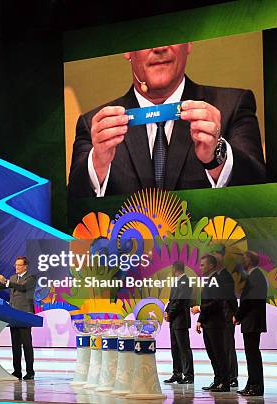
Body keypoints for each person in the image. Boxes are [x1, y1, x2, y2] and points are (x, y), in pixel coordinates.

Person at [68, 43, 266, 221]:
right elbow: (70, 214)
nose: (160, 48)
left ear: (188, 44)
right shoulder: (95, 125)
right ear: (128, 50)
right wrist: (98, 165)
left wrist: (216, 157)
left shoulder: (233, 105)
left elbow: (263, 200)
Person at [0, 256, 37, 380]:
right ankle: (17, 371)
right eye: (16, 265)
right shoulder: (13, 278)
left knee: (27, 344)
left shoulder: (31, 277)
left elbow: (22, 287)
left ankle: (30, 372)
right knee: (15, 345)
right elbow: (3, 287)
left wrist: (6, 282)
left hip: (25, 314)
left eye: (19, 265)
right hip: (13, 315)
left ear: (25, 266)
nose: (16, 267)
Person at [191, 255, 229, 392]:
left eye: (203, 265)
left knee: (219, 353)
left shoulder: (217, 280)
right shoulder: (209, 280)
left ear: (211, 265)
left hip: (215, 323)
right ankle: (217, 380)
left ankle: (224, 382)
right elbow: (207, 302)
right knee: (212, 354)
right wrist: (200, 320)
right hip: (208, 323)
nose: (200, 267)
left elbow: (217, 302)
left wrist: (199, 309)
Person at [234, 251, 267, 397]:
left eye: (245, 258)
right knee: (251, 355)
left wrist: (238, 315)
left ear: (251, 260)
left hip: (252, 321)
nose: (242, 260)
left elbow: (249, 301)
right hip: (251, 321)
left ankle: (256, 386)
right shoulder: (255, 275)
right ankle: (251, 384)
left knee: (253, 355)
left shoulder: (256, 276)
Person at [163, 261, 194, 384]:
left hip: (181, 320)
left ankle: (188, 375)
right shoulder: (177, 282)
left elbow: (180, 302)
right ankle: (177, 373)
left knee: (184, 348)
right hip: (174, 321)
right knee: (175, 348)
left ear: (175, 269)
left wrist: (170, 313)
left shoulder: (185, 281)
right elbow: (171, 300)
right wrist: (166, 311)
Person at [214, 249, 238, 387]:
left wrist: (236, 314)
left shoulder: (225, 276)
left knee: (228, 347)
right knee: (221, 348)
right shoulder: (216, 276)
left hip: (226, 317)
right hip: (219, 318)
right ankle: (223, 377)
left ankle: (232, 377)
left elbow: (229, 297)